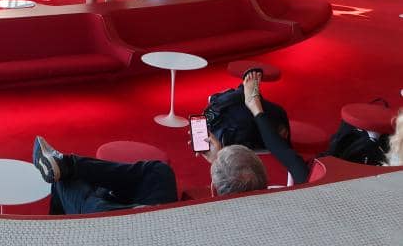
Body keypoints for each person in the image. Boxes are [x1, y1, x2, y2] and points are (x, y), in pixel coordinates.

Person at [31, 71, 307, 216]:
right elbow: (289, 157)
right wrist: (220, 158)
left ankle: (70, 174)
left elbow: (288, 156)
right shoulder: (284, 201)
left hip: (129, 229)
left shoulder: (206, 220)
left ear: (211, 188)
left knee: (66, 182)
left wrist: (253, 102)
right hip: (157, 214)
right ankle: (68, 166)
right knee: (159, 172)